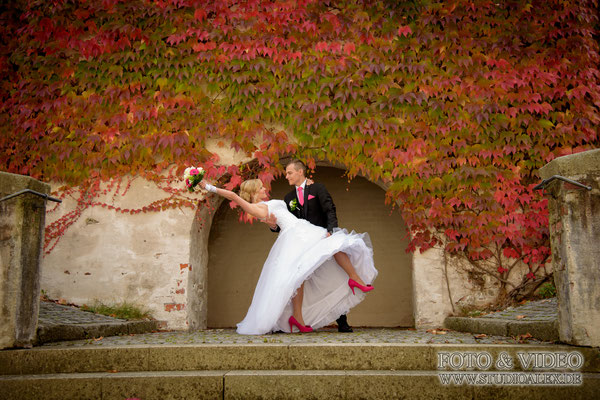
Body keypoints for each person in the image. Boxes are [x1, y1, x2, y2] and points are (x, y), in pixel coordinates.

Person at [199, 177, 377, 335]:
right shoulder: (256, 208)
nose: (264, 189)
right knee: (300, 274)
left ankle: (354, 278)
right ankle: (298, 317)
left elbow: (280, 218)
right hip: (294, 237)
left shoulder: (270, 203)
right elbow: (233, 196)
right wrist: (209, 187)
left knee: (333, 247)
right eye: (261, 188)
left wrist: (308, 186)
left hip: (302, 229)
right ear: (253, 191)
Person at [265, 159, 366, 332]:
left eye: (289, 172)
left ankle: (342, 321)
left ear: (300, 172)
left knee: (331, 278)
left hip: (321, 240)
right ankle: (287, 320)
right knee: (297, 281)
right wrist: (273, 226)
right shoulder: (288, 198)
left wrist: (331, 231)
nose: (286, 176)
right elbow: (286, 225)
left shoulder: (318, 188)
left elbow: (330, 210)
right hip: (302, 246)